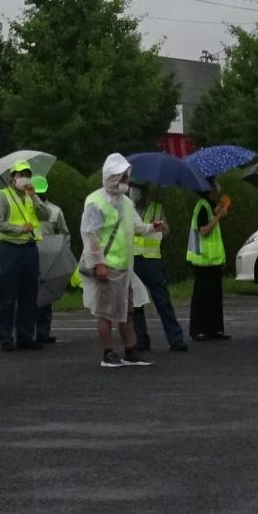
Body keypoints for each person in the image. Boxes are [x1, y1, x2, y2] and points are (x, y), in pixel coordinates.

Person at [82, 155, 151, 369]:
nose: (125, 180)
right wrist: (98, 263)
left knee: (126, 310)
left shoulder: (127, 202)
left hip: (125, 266)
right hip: (108, 265)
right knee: (106, 312)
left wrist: (152, 228)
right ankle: (107, 352)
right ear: (110, 176)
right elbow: (90, 234)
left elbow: (136, 226)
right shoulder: (96, 201)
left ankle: (130, 350)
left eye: (126, 176)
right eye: (121, 176)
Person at [127, 186, 188, 353]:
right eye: (133, 187)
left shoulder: (156, 208)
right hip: (132, 258)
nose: (134, 191)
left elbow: (166, 230)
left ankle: (175, 339)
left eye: (137, 188)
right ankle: (141, 340)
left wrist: (157, 229)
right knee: (137, 302)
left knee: (162, 300)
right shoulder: (126, 207)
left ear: (144, 191)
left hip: (151, 260)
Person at [0, 161, 43, 352]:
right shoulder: (2, 196)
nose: (24, 178)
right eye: (20, 175)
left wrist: (35, 197)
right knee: (7, 295)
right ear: (13, 177)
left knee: (29, 294)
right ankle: (5, 336)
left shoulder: (30, 196)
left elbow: (45, 214)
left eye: (27, 174)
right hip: (10, 249)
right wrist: (19, 228)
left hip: (30, 248)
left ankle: (25, 336)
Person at [186, 188, 231, 343]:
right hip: (203, 259)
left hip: (213, 260)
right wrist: (218, 216)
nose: (218, 188)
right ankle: (199, 330)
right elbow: (203, 230)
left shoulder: (209, 205)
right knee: (202, 296)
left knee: (215, 296)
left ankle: (215, 328)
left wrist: (221, 208)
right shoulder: (202, 206)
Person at [32, 176, 70, 346]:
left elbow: (64, 233)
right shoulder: (24, 208)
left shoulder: (55, 211)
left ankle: (43, 333)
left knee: (45, 296)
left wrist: (62, 251)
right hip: (30, 253)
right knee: (26, 295)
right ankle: (26, 333)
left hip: (49, 256)